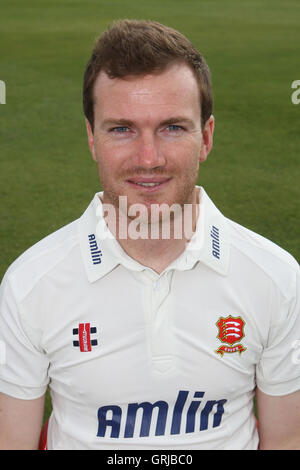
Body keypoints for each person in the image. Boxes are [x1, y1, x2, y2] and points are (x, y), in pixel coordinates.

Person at [0, 19, 299, 451]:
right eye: (121, 129)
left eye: (172, 127)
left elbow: (287, 439)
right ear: (91, 139)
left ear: (207, 137)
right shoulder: (30, 284)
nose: (148, 158)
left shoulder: (276, 277)